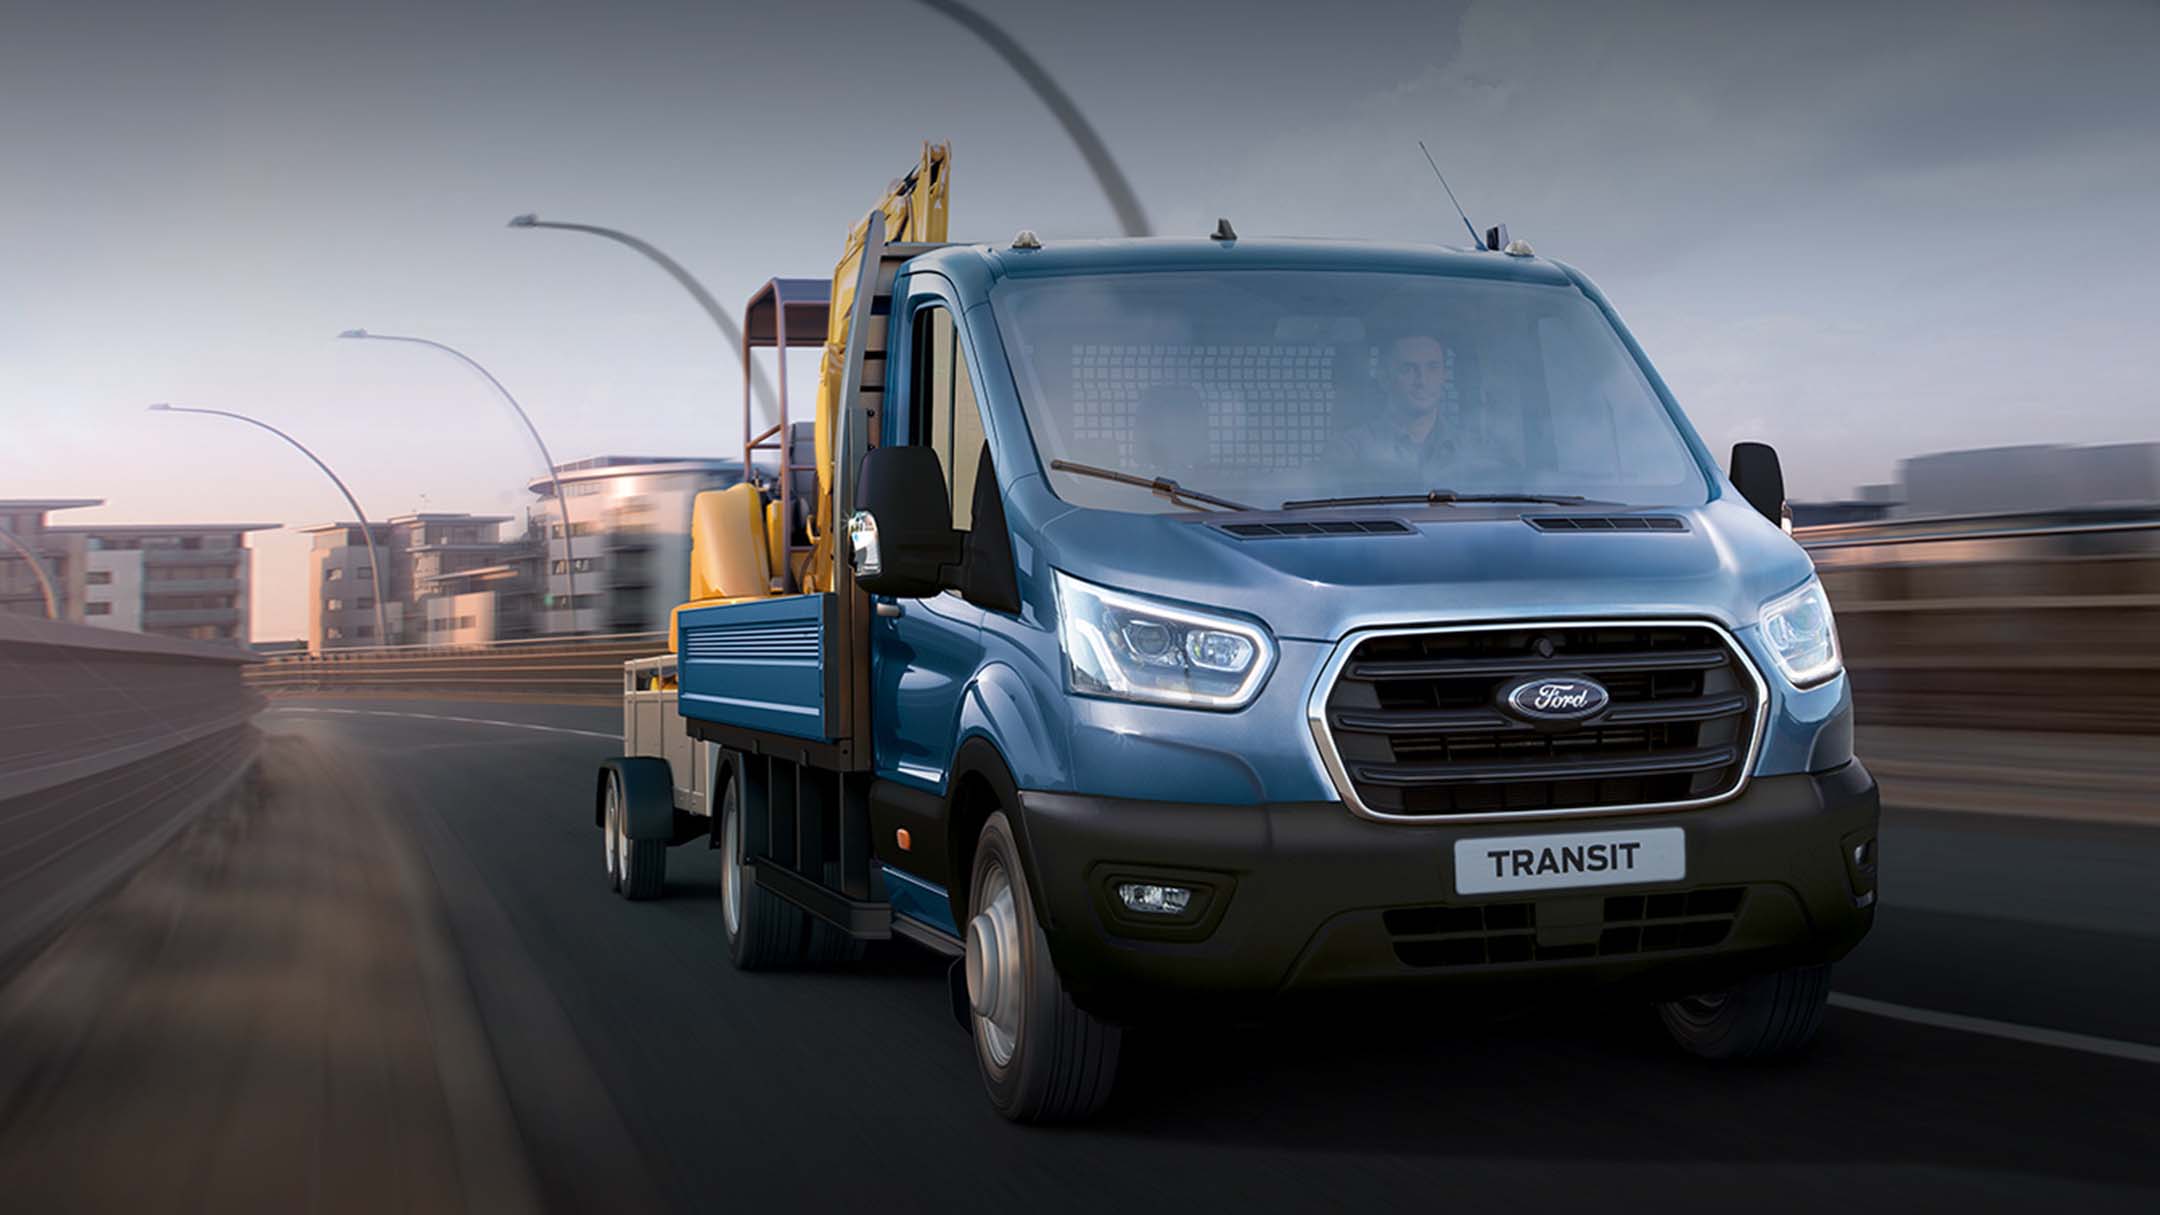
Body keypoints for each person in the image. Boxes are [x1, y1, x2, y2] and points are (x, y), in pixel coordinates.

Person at [1327, 332, 1461, 485]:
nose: (1422, 381)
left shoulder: (1477, 449)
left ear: (1444, 375)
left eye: (1432, 368)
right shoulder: (1350, 451)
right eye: (1408, 369)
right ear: (1384, 378)